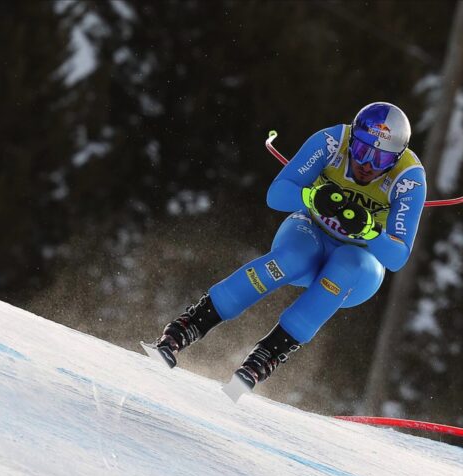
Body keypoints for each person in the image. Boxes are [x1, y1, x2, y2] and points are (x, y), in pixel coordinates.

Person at [147, 102, 427, 394]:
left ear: (396, 158)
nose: (366, 164)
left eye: (380, 158)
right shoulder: (332, 142)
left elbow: (397, 257)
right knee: (294, 257)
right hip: (309, 233)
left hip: (360, 264)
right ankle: (185, 328)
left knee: (348, 264)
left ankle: (263, 359)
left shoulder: (409, 180)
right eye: (360, 150)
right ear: (352, 140)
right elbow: (277, 194)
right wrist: (312, 196)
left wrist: (370, 230)